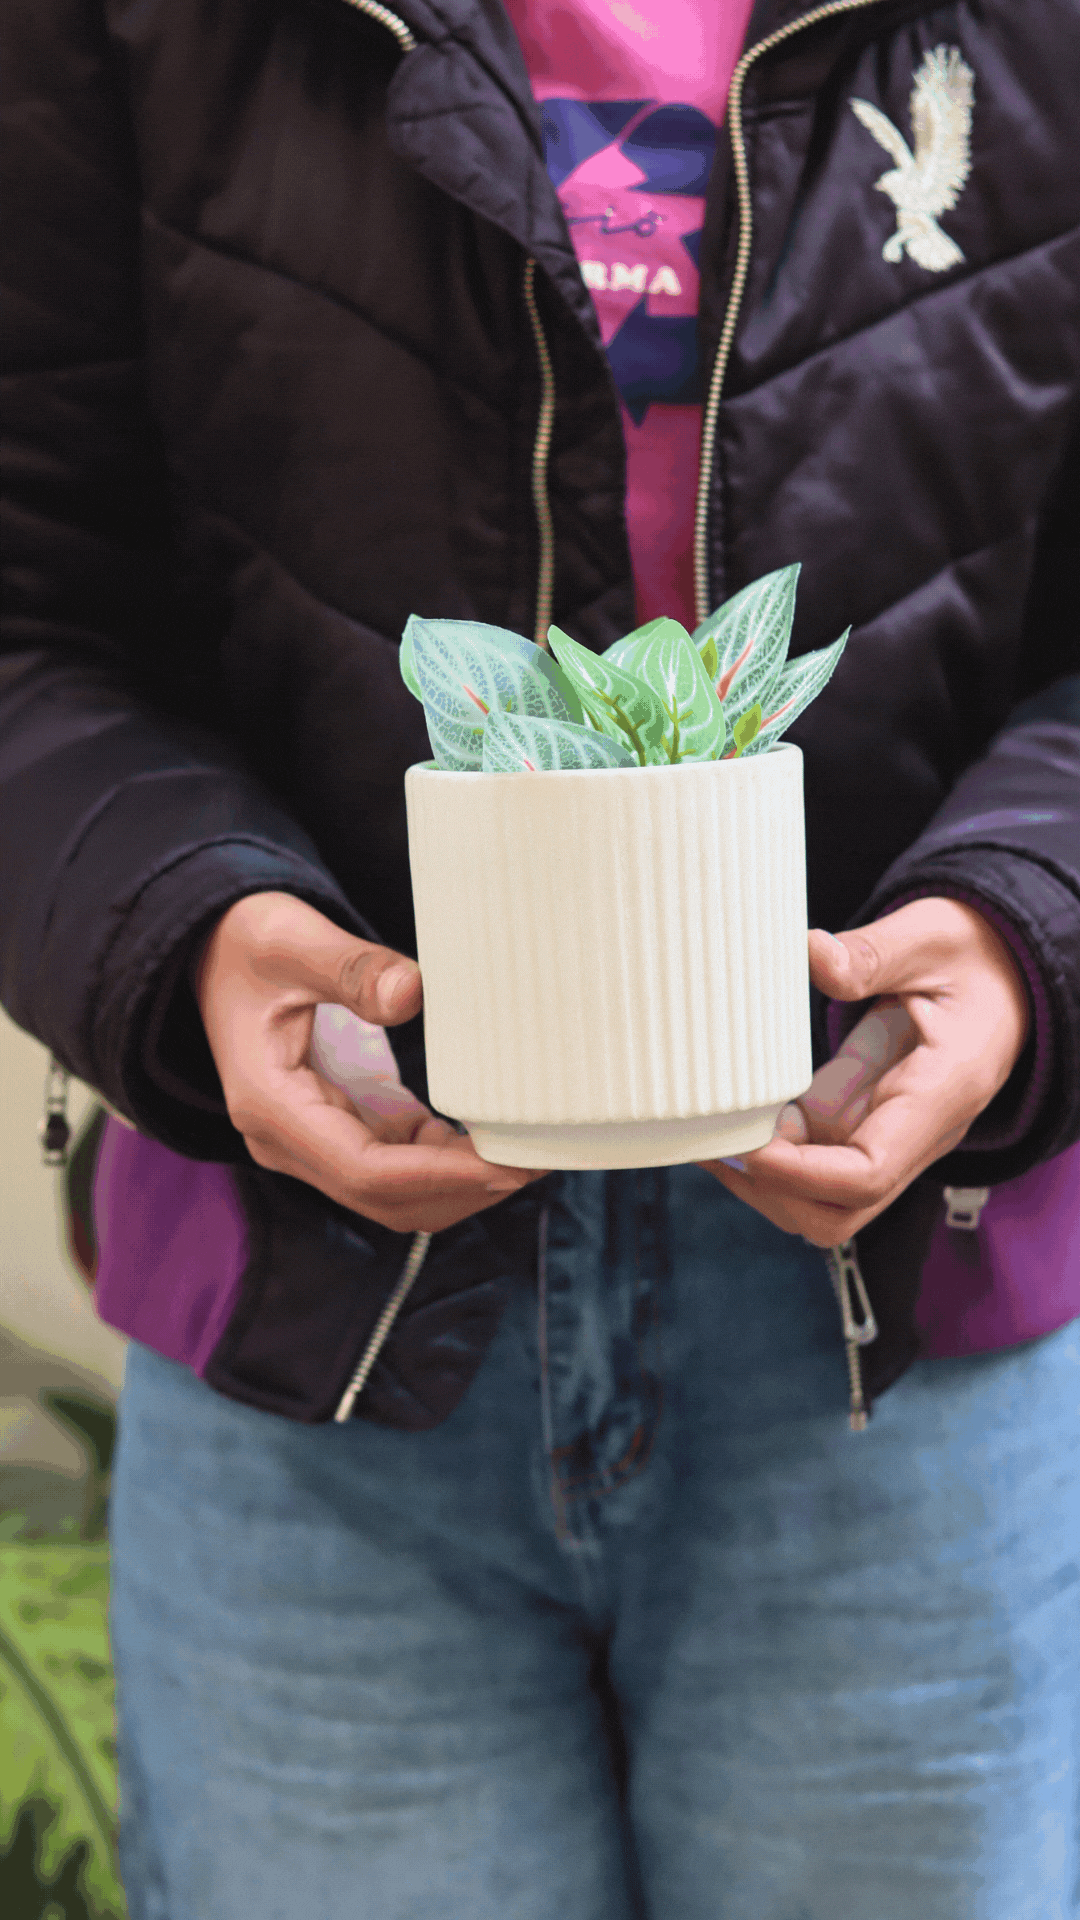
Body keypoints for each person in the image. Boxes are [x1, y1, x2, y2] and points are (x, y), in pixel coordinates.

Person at [3, 0, 1079, 1913]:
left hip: (911, 1326)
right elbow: (32, 609)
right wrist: (196, 931)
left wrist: (1024, 927)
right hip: (314, 1326)